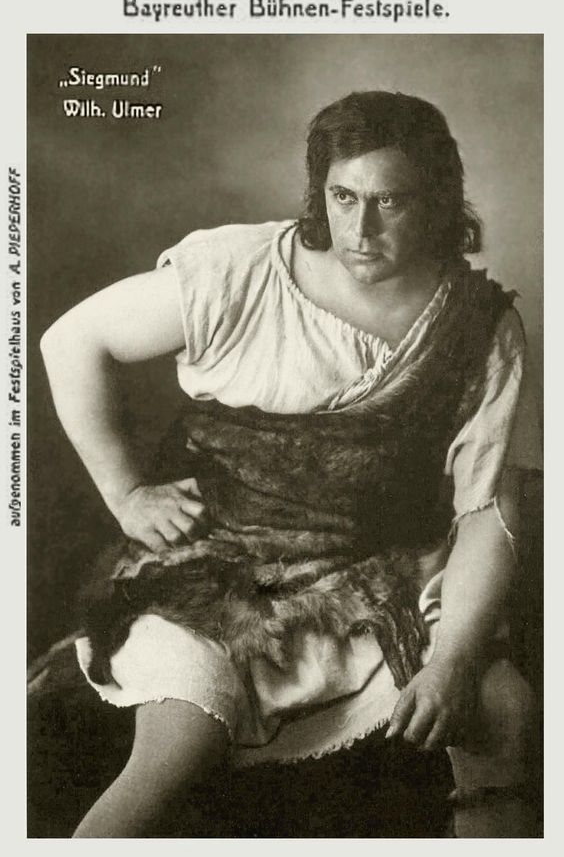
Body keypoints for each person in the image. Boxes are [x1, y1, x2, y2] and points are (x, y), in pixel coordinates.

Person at [40, 90, 542, 838]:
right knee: (179, 748)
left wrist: (455, 661)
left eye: (390, 201)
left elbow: (484, 510)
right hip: (209, 565)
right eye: (343, 197)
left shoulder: (477, 327)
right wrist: (128, 491)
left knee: (502, 709)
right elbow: (70, 341)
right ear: (320, 192)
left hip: (370, 568)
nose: (361, 230)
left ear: (439, 199)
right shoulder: (242, 269)